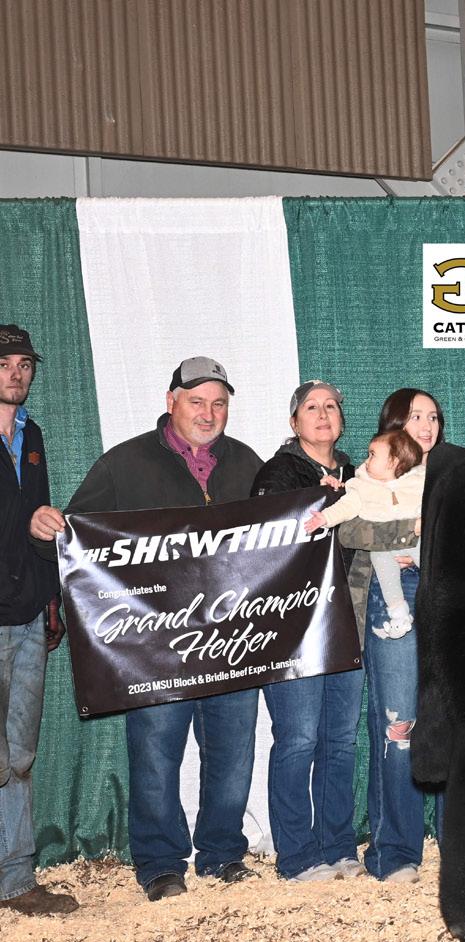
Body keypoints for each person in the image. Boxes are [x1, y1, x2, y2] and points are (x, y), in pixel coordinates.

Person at [34, 356, 263, 900]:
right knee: (156, 752)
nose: (208, 413)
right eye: (196, 401)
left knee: (232, 750)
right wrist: (47, 532)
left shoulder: (248, 463)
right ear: (170, 402)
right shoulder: (124, 463)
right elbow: (77, 539)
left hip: (234, 638)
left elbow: (284, 532)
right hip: (156, 645)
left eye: (219, 403)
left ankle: (222, 852)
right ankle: (160, 863)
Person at [249, 380, 365, 882]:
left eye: (331, 406)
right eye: (311, 407)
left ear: (341, 420)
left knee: (340, 740)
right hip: (292, 627)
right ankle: (296, 855)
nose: (323, 414)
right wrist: (320, 504)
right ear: (294, 422)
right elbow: (265, 545)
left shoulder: (359, 475)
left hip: (347, 622)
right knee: (297, 739)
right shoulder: (277, 475)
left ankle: (338, 846)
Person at [334, 388, 440, 884]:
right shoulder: (371, 473)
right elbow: (350, 529)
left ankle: (459, 840)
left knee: (451, 719)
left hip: (445, 594)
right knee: (400, 722)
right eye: (416, 416)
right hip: (392, 592)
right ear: (395, 425)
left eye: (433, 417)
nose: (427, 425)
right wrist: (407, 534)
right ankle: (395, 851)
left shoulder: (449, 475)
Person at [0, 325, 75, 916]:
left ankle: (16, 878)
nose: (16, 373)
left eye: (25, 364)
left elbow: (40, 523)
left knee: (19, 750)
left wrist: (51, 596)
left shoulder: (33, 436)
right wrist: (23, 525)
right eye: (5, 363)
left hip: (26, 609)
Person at [306, 429, 424, 640]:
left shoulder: (418, 480)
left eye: (372, 455)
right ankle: (399, 614)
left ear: (393, 461)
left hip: (417, 541)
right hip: (384, 547)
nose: (366, 460)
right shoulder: (361, 485)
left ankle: (450, 594)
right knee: (382, 565)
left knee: (429, 554)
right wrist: (324, 518)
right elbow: (346, 506)